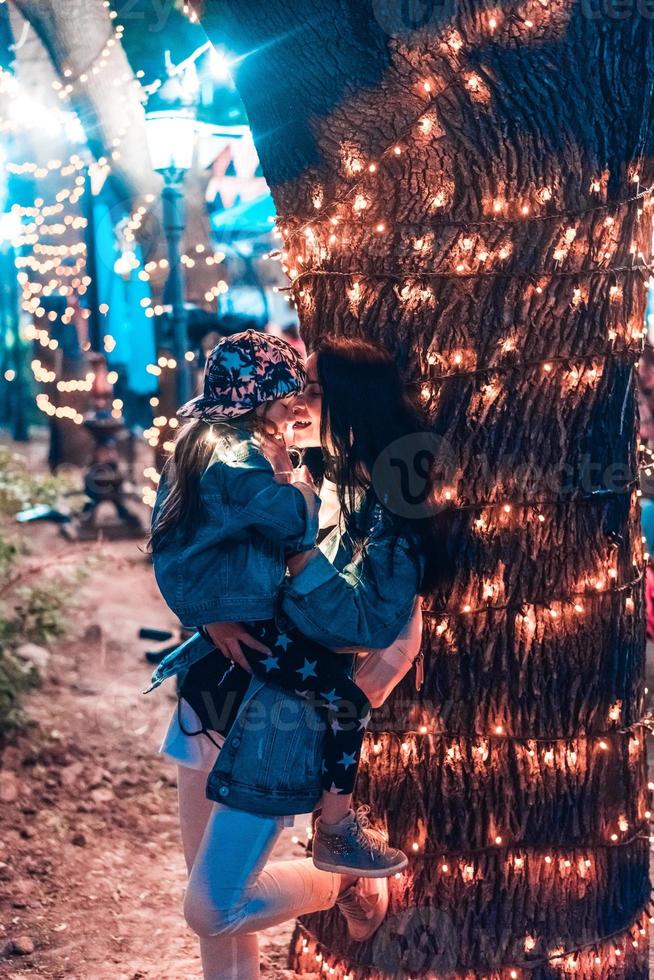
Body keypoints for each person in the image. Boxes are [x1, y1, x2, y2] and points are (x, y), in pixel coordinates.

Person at [147, 336, 446, 980]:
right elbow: (198, 545)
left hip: (280, 716)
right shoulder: (271, 464)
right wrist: (213, 610)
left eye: (311, 390)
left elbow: (379, 628)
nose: (295, 401)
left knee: (212, 905)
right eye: (294, 389)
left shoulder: (390, 508)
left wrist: (303, 554)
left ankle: (344, 885)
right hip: (211, 691)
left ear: (349, 405)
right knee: (211, 890)